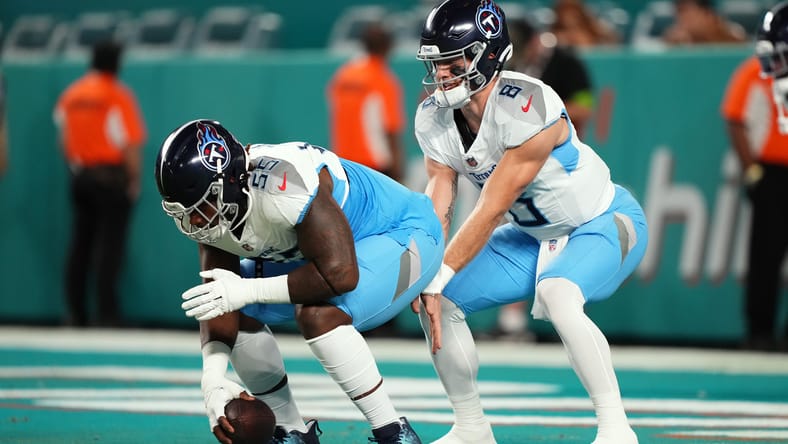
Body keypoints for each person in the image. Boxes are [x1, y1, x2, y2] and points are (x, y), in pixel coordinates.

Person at [411, 1, 648, 443]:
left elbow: (494, 206)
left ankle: (617, 428)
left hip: (599, 221)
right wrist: (429, 270)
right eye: (436, 61)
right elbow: (439, 198)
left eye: (453, 59)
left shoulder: (528, 104)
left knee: (557, 293)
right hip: (532, 236)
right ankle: (471, 428)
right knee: (436, 301)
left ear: (490, 54)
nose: (442, 73)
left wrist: (441, 271)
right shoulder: (434, 118)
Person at [154, 119, 444, 443]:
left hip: (406, 234)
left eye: (201, 207)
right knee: (236, 304)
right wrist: (212, 379)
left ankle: (394, 432)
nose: (193, 220)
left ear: (233, 182)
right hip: (334, 254)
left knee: (317, 314)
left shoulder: (284, 184)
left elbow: (340, 275)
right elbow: (219, 295)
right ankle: (292, 430)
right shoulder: (218, 209)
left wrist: (246, 290)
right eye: (183, 211)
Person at [53, 39, 146, 327]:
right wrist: (134, 180)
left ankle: (76, 312)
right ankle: (106, 315)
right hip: (110, 179)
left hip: (79, 176)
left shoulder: (72, 95)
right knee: (109, 248)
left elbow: (63, 137)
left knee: (80, 245)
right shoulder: (117, 96)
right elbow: (130, 144)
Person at [721, 1, 788, 352]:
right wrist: (753, 169)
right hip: (772, 170)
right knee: (766, 254)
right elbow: (735, 118)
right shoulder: (754, 71)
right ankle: (759, 330)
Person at [327, 21, 406, 183]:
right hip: (376, 166)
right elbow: (390, 130)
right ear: (388, 47)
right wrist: (398, 171)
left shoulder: (343, 75)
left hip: (344, 164)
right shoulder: (382, 79)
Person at [662, 0, 747, 45]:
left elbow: (741, 41)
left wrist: (714, 35)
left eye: (685, 11)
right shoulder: (675, 37)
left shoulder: (725, 30)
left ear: (706, 13)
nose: (681, 18)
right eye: (678, 12)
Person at [549, 0, 620, 48]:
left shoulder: (594, 29)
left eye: (573, 11)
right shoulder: (553, 34)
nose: (569, 17)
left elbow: (612, 42)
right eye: (565, 11)